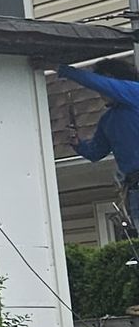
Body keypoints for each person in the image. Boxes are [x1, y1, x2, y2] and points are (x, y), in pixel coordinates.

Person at [57, 59, 139, 234]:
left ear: (111, 80)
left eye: (101, 88)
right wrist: (79, 145)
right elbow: (96, 152)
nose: (99, 93)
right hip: (134, 187)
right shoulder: (107, 121)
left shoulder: (134, 92)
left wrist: (62, 69)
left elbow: (101, 84)